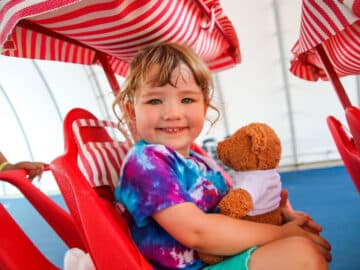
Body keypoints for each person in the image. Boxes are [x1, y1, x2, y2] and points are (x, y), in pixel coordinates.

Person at [112, 43, 332, 270]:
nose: (172, 114)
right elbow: (197, 232)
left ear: (204, 108)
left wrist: (279, 215)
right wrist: (281, 233)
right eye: (154, 101)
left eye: (187, 100)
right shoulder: (147, 162)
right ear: (131, 112)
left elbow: (230, 213)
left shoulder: (199, 160)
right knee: (299, 255)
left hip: (221, 257)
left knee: (301, 246)